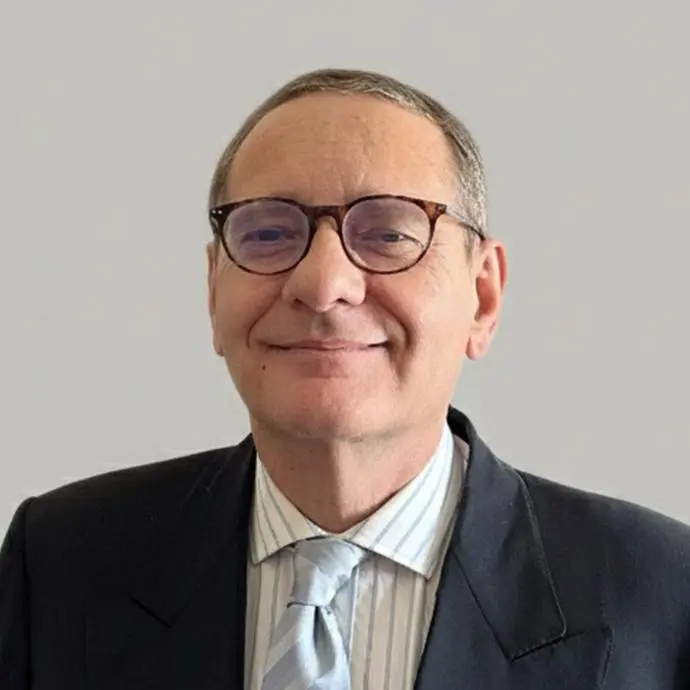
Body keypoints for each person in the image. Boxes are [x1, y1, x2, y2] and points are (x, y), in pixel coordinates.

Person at [1, 67, 689, 690]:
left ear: (483, 297)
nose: (323, 283)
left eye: (388, 234)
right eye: (268, 234)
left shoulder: (660, 591)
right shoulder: (60, 563)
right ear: (213, 291)